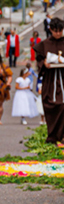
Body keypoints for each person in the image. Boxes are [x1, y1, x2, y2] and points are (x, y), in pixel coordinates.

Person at [32, 17, 64, 145]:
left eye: (60, 31)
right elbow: (39, 60)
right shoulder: (45, 44)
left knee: (63, 105)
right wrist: (44, 63)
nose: (58, 33)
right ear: (50, 30)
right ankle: (53, 136)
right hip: (51, 79)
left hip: (63, 77)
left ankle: (62, 135)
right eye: (55, 31)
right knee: (51, 105)